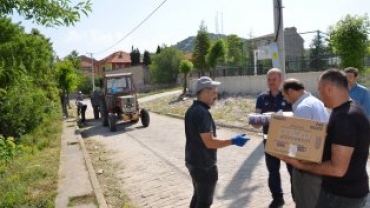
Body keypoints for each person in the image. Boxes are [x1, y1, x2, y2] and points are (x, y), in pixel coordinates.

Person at [282, 69, 370, 208]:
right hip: (344, 192)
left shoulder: (345, 117)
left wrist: (301, 165)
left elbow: (337, 169)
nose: (319, 94)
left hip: (342, 197)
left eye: (319, 89)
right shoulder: (345, 109)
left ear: (329, 88)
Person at [185, 76, 249, 208]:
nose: (216, 95)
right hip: (204, 166)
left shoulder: (192, 110)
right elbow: (210, 142)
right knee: (204, 202)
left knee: (198, 196)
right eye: (214, 92)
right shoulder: (202, 113)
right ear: (205, 92)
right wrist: (233, 141)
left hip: (193, 162)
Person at [282, 78, 329, 208]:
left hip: (307, 164)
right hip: (320, 157)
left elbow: (299, 141)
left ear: (290, 91)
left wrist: (285, 152)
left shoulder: (303, 107)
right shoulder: (316, 102)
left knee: (305, 200)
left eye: (285, 96)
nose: (286, 99)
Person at [252, 68, 292, 208]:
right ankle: (277, 198)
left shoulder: (289, 96)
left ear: (281, 80)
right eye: (269, 79)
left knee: (293, 171)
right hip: (269, 140)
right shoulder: (261, 98)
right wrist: (266, 119)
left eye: (274, 79)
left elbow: (298, 119)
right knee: (273, 171)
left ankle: (298, 197)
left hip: (289, 141)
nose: (271, 82)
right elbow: (256, 124)